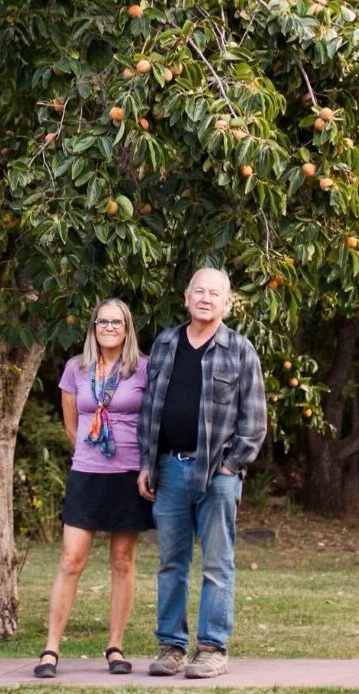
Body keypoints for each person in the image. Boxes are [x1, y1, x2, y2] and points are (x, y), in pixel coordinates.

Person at [136, 268, 266, 680]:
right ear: (186, 296)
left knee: (216, 563)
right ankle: (171, 647)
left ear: (228, 303)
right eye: (199, 291)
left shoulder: (240, 349)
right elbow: (149, 408)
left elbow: (255, 419)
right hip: (169, 469)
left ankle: (211, 648)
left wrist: (232, 465)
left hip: (218, 475)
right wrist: (146, 462)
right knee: (171, 563)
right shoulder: (166, 343)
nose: (206, 298)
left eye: (215, 293)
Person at [34, 297, 154, 679]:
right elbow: (72, 425)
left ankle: (115, 647)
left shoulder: (144, 369)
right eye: (102, 321)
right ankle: (51, 650)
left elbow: (152, 423)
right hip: (87, 472)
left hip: (129, 473)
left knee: (122, 561)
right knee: (71, 560)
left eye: (116, 322)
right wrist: (92, 453)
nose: (109, 328)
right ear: (93, 327)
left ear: (127, 328)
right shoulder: (76, 368)